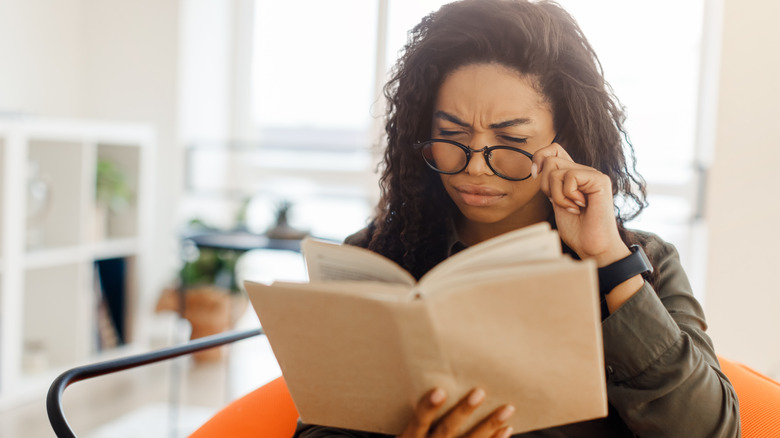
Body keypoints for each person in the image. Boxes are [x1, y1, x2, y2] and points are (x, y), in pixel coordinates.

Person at [295, 0, 740, 436]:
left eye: (510, 138)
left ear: (562, 140)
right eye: (450, 134)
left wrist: (608, 259)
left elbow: (712, 430)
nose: (475, 166)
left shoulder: (644, 260)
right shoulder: (377, 254)